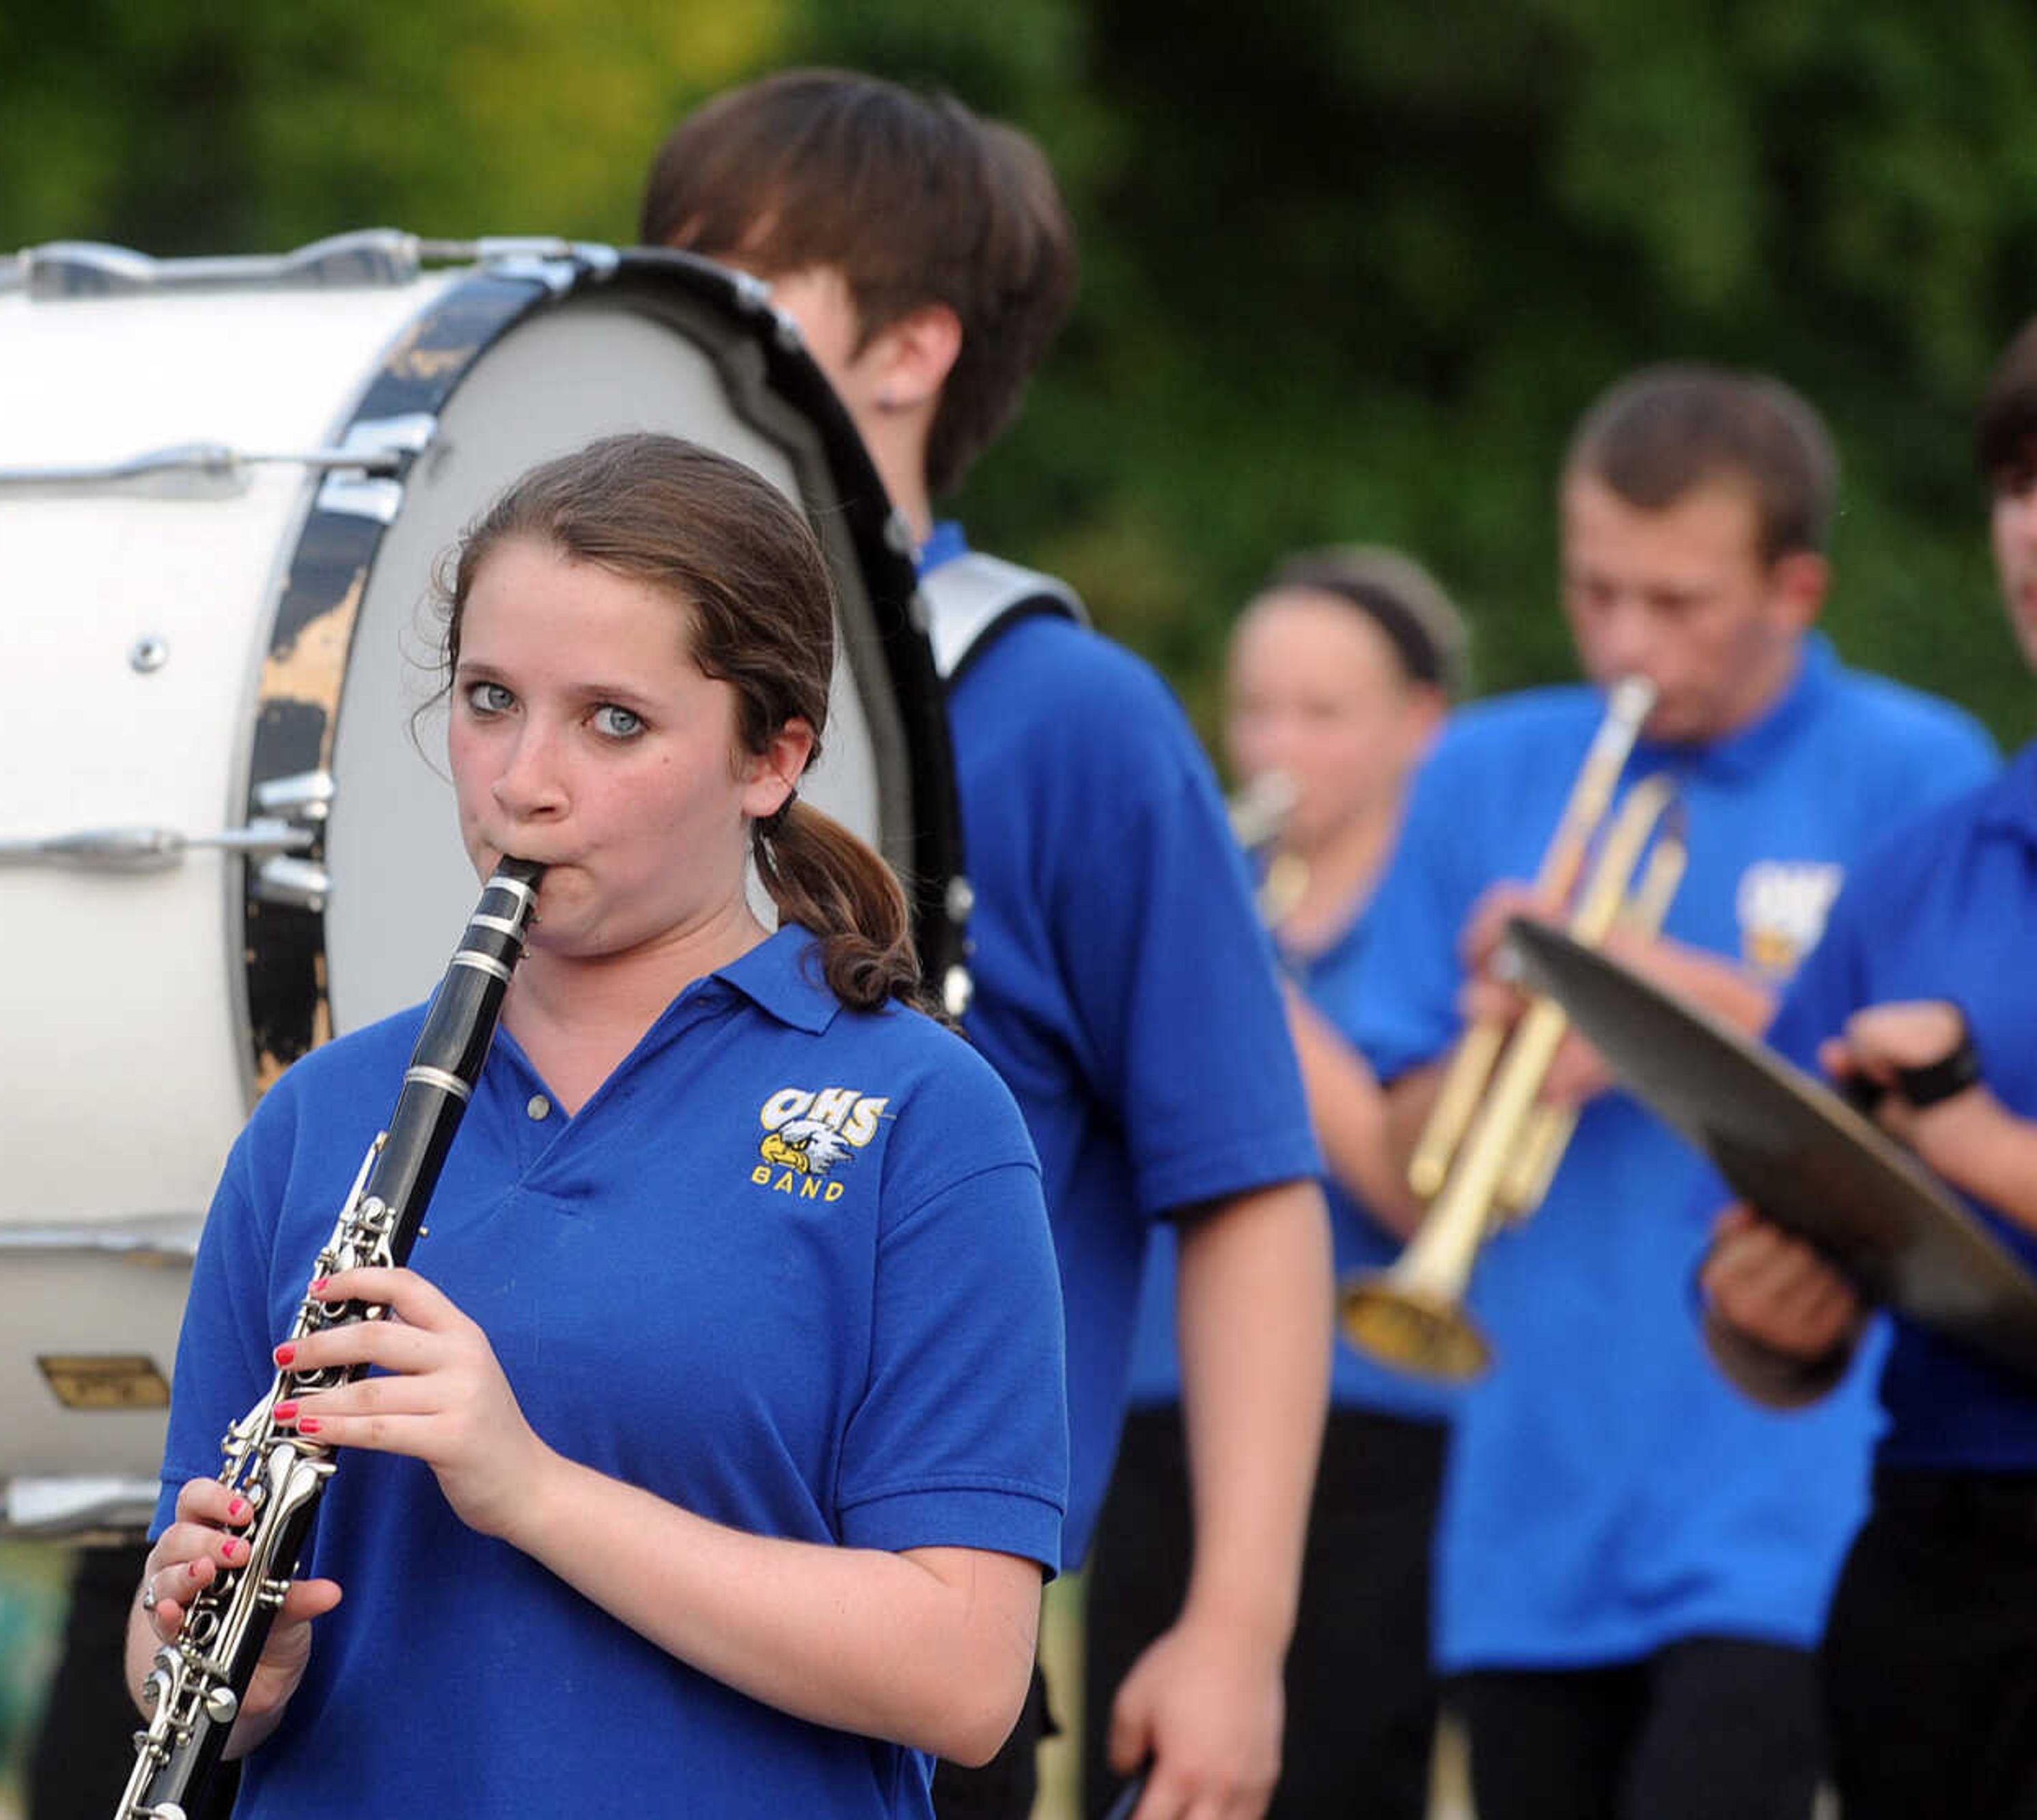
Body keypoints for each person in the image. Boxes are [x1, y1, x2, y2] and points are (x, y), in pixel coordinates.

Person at [127, 432, 1068, 1819]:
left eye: (613, 721)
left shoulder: (919, 1120)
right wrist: (212, 1659)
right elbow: (176, 1663)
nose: (526, 780)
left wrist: (532, 1490)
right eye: (491, 700)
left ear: (772, 757)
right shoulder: (320, 1119)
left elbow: (967, 1676)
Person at [643, 71, 1334, 1820]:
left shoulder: (1065, 717)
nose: (668, 324)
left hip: (894, 1662)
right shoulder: (575, 705)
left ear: (909, 349)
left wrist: (1235, 1627)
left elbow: (1246, 1186)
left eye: (739, 281)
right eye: (658, 270)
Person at [1340, 364, 2001, 1820]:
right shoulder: (1485, 772)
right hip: (1528, 1507)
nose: (1628, 641)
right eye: (1597, 592)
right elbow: (1404, 1168)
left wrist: (1648, 996)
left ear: (1795, 589)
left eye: (1679, 602)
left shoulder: (1922, 769)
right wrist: (1492, 1043)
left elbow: (1956, 1129)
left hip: (1794, 1505)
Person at [1700, 275, 2037, 1818]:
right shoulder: (1919, 867)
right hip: (1927, 1574)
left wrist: (1975, 1144)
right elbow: (1774, 1335)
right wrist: (1763, 1310)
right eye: (2014, 481)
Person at [1086, 547, 1463, 1820]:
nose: (1276, 745)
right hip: (1155, 1394)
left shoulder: (1450, 923)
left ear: (1422, 723)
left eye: (1322, 712)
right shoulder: (1208, 892)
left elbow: (1426, 1195)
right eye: (1255, 707)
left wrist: (1262, 1012)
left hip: (1377, 1422)